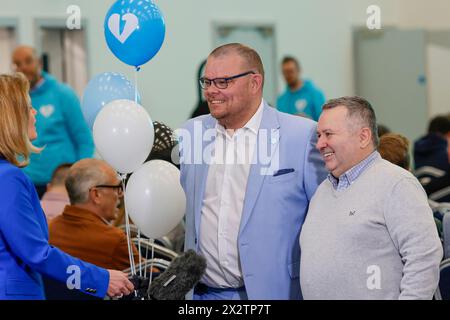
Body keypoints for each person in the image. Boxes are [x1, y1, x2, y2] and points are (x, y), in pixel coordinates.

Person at [180, 43, 327, 300]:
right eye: (207, 81)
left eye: (223, 82)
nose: (211, 91)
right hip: (203, 294)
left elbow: (327, 221)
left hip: (273, 293)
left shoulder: (302, 136)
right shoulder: (191, 134)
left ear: (254, 82)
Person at [0, 73, 133, 300]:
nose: (34, 114)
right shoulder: (8, 178)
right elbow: (37, 253)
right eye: (29, 108)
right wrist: (100, 280)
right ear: (12, 117)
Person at [300, 96, 443, 300]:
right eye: (319, 135)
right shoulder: (323, 191)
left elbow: (424, 259)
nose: (320, 144)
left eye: (328, 134)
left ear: (363, 137)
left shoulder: (397, 184)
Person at [12, 46, 94, 198]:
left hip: (62, 184)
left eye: (28, 61)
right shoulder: (15, 100)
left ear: (39, 63)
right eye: (17, 64)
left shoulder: (63, 94)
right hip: (27, 182)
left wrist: (78, 177)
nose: (22, 67)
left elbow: (84, 140)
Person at [49, 159, 141, 271]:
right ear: (96, 194)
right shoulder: (114, 241)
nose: (120, 194)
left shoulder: (49, 230)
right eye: (117, 188)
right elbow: (152, 279)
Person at [276, 56, 325, 121]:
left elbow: (324, 121)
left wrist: (308, 121)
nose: (288, 75)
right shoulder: (281, 100)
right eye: (285, 72)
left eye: (291, 71)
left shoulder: (316, 94)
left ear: (299, 70)